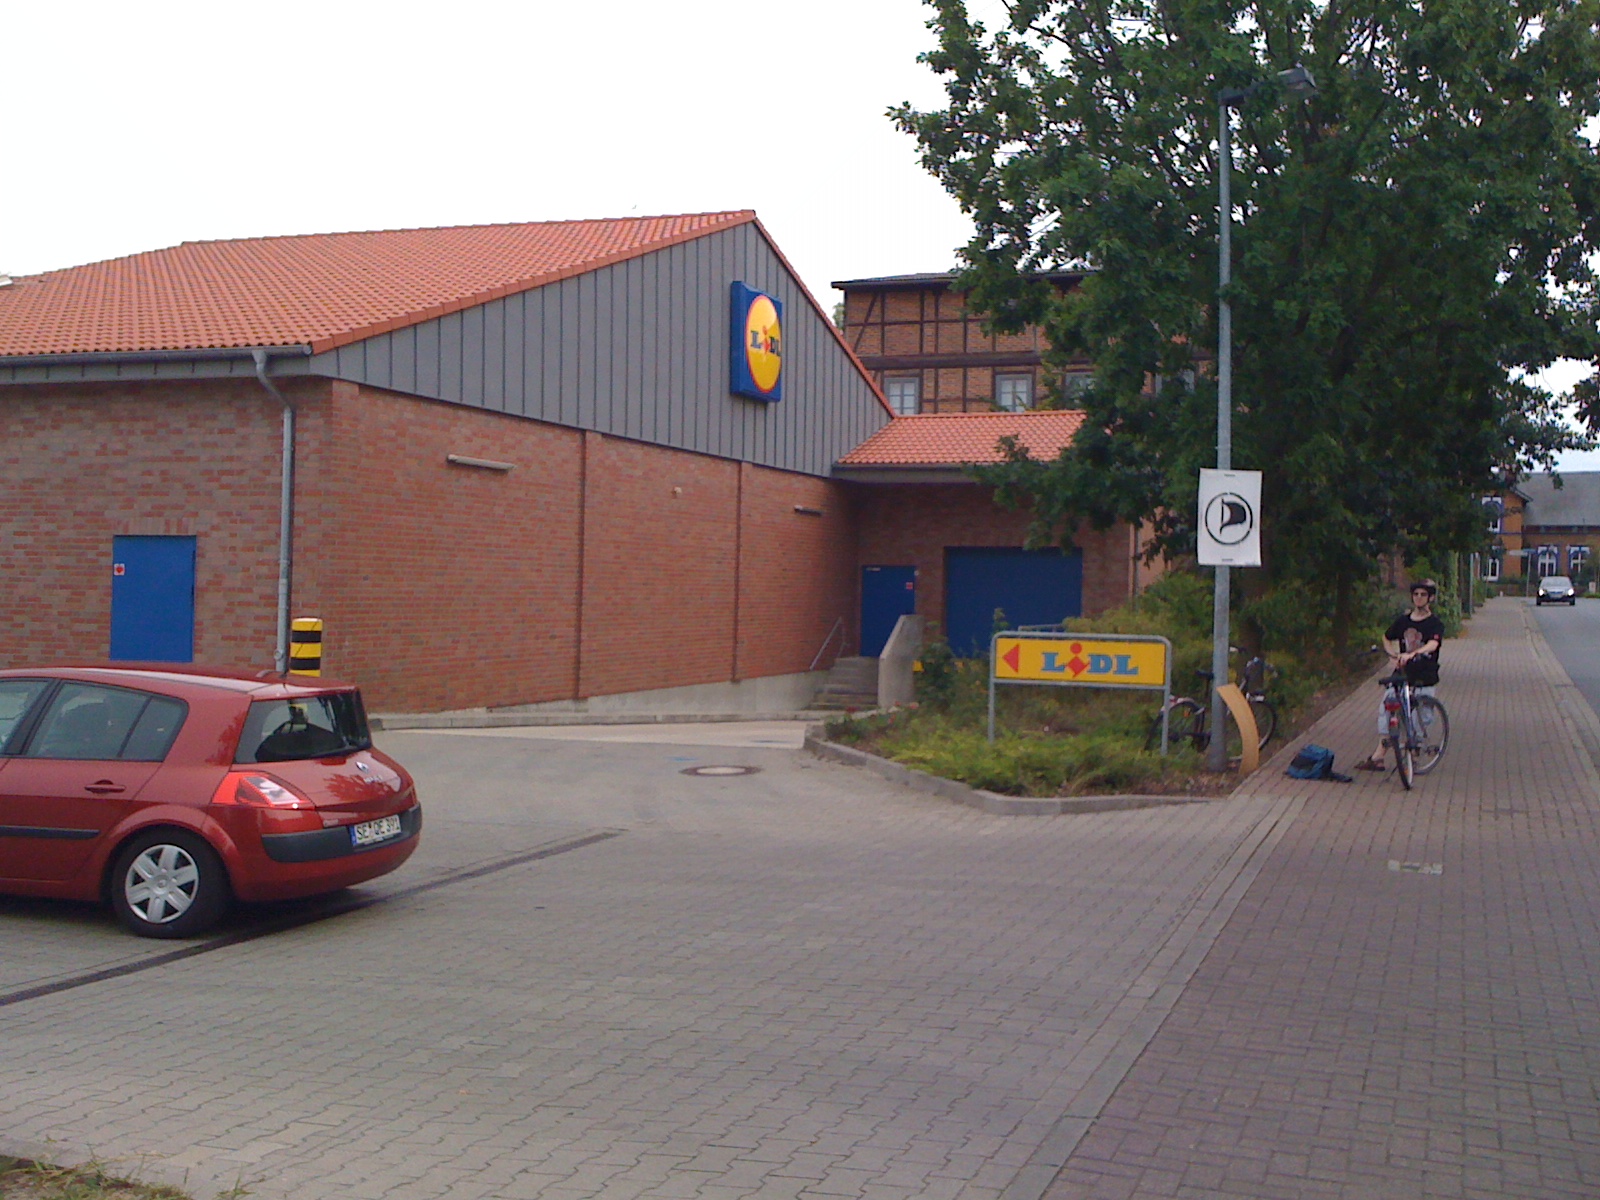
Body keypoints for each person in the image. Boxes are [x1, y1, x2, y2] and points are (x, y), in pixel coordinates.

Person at [1357, 580, 1444, 770]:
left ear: (1430, 598)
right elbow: (1387, 637)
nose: (1418, 598)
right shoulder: (1403, 621)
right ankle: (1379, 756)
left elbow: (1433, 644)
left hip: (1425, 676)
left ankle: (1413, 753)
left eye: (1423, 594)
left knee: (1420, 717)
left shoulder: (1435, 624)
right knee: (1388, 709)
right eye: (1416, 594)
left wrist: (1414, 653)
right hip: (1403, 674)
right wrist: (1393, 655)